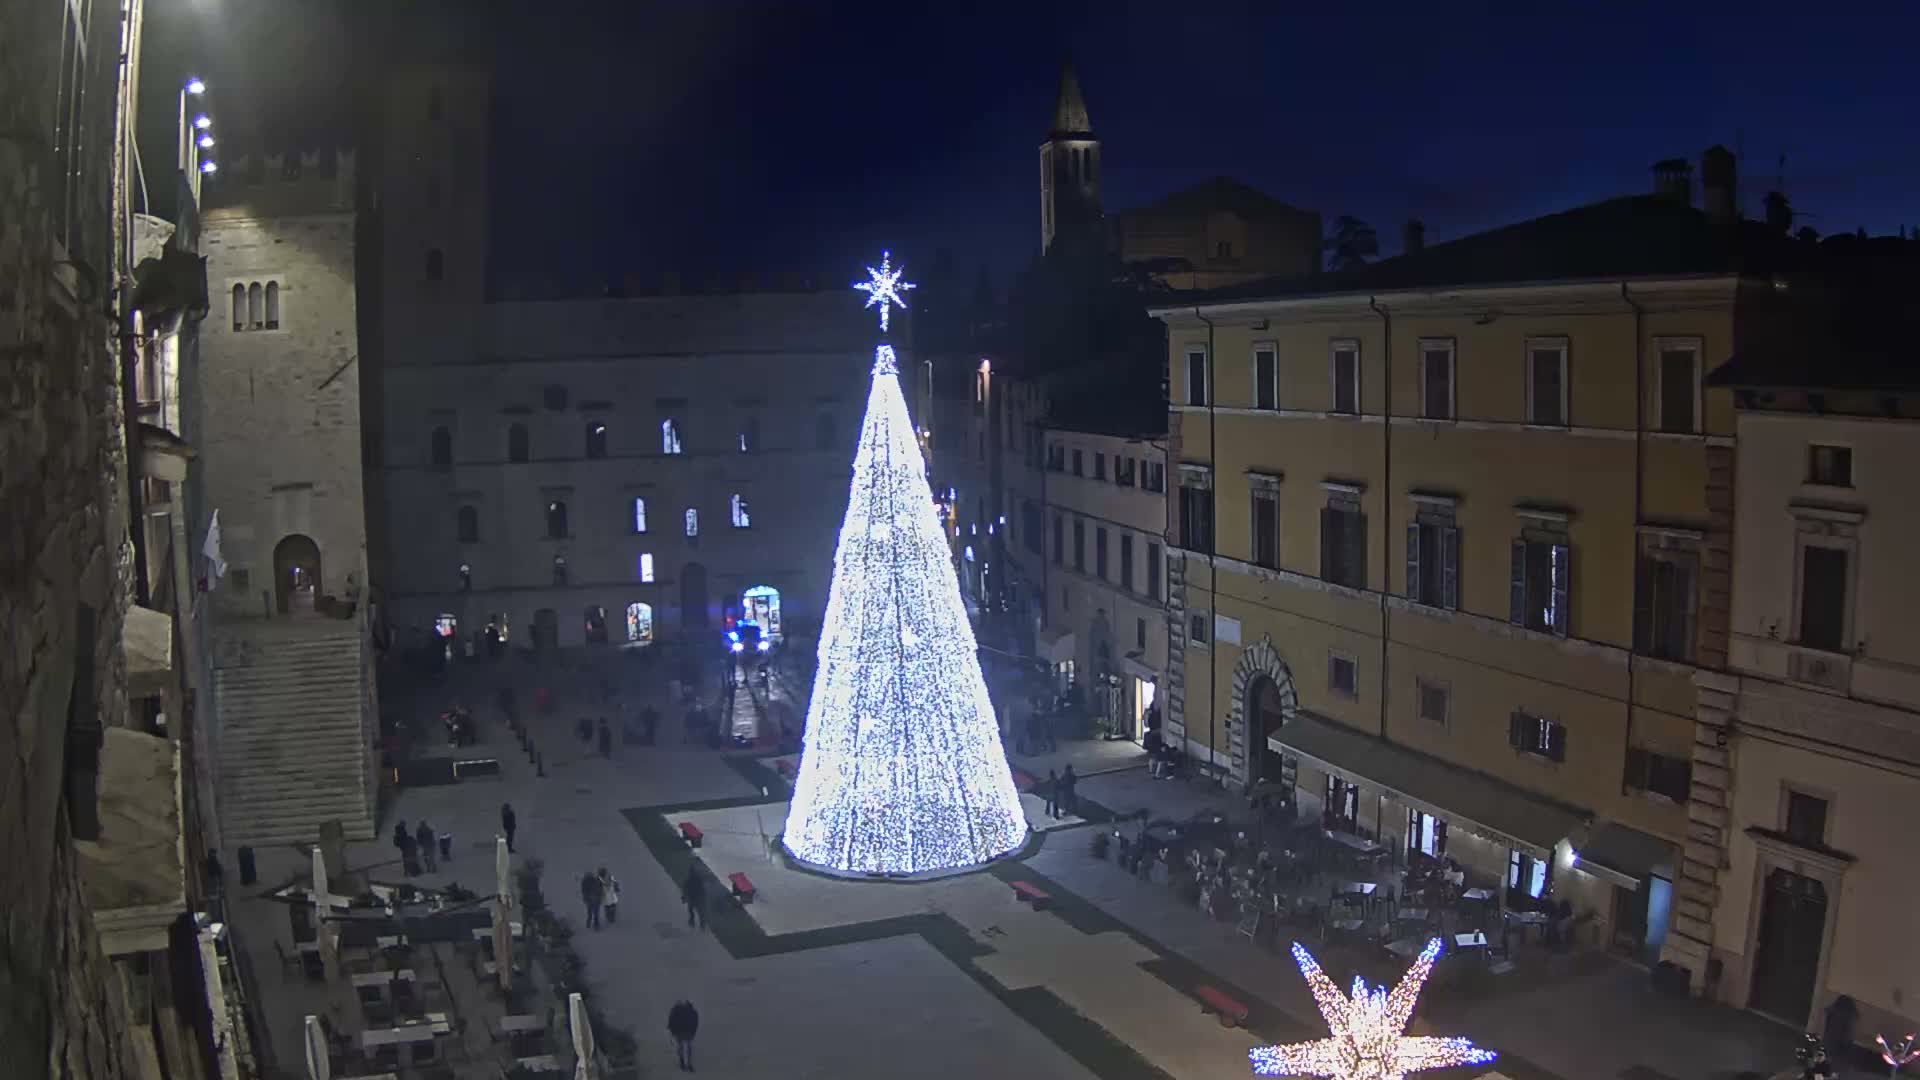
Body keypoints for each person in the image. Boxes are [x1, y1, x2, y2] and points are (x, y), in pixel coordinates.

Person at [667, 999, 699, 1072]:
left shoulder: (675, 1010)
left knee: (680, 1046)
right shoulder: (693, 1011)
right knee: (688, 1047)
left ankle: (682, 1061)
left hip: (678, 1032)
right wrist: (693, 1032)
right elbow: (695, 1022)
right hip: (688, 1032)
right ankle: (689, 1063)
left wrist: (672, 1030)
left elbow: (671, 1020)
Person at [682, 865, 707, 930]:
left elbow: (685, 889)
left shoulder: (689, 879)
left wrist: (684, 897)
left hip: (693, 897)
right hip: (697, 897)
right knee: (699, 912)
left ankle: (693, 921)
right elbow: (702, 889)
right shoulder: (698, 879)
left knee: (691, 910)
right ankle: (701, 924)